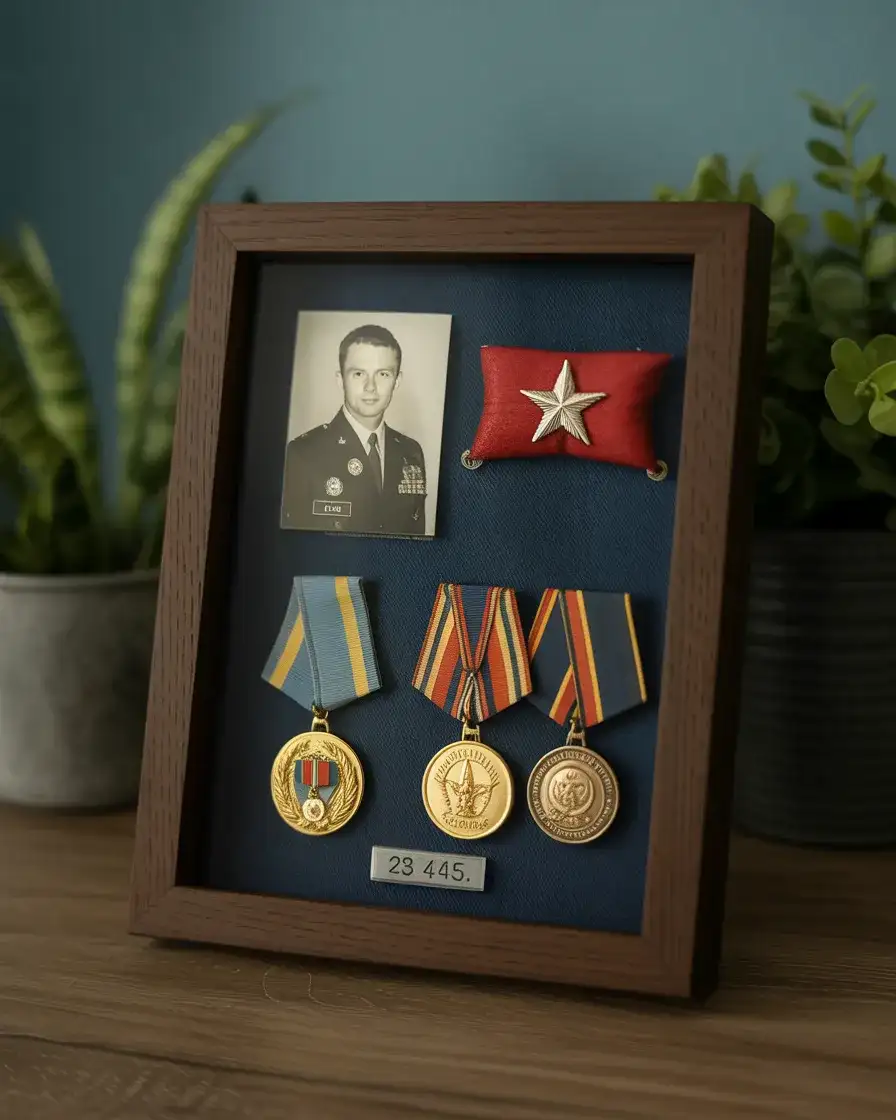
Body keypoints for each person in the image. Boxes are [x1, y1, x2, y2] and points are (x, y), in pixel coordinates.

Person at [281, 324, 427, 535]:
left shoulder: (411, 453)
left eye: (383, 374)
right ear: (341, 380)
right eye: (358, 374)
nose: (370, 387)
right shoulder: (303, 453)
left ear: (397, 381)